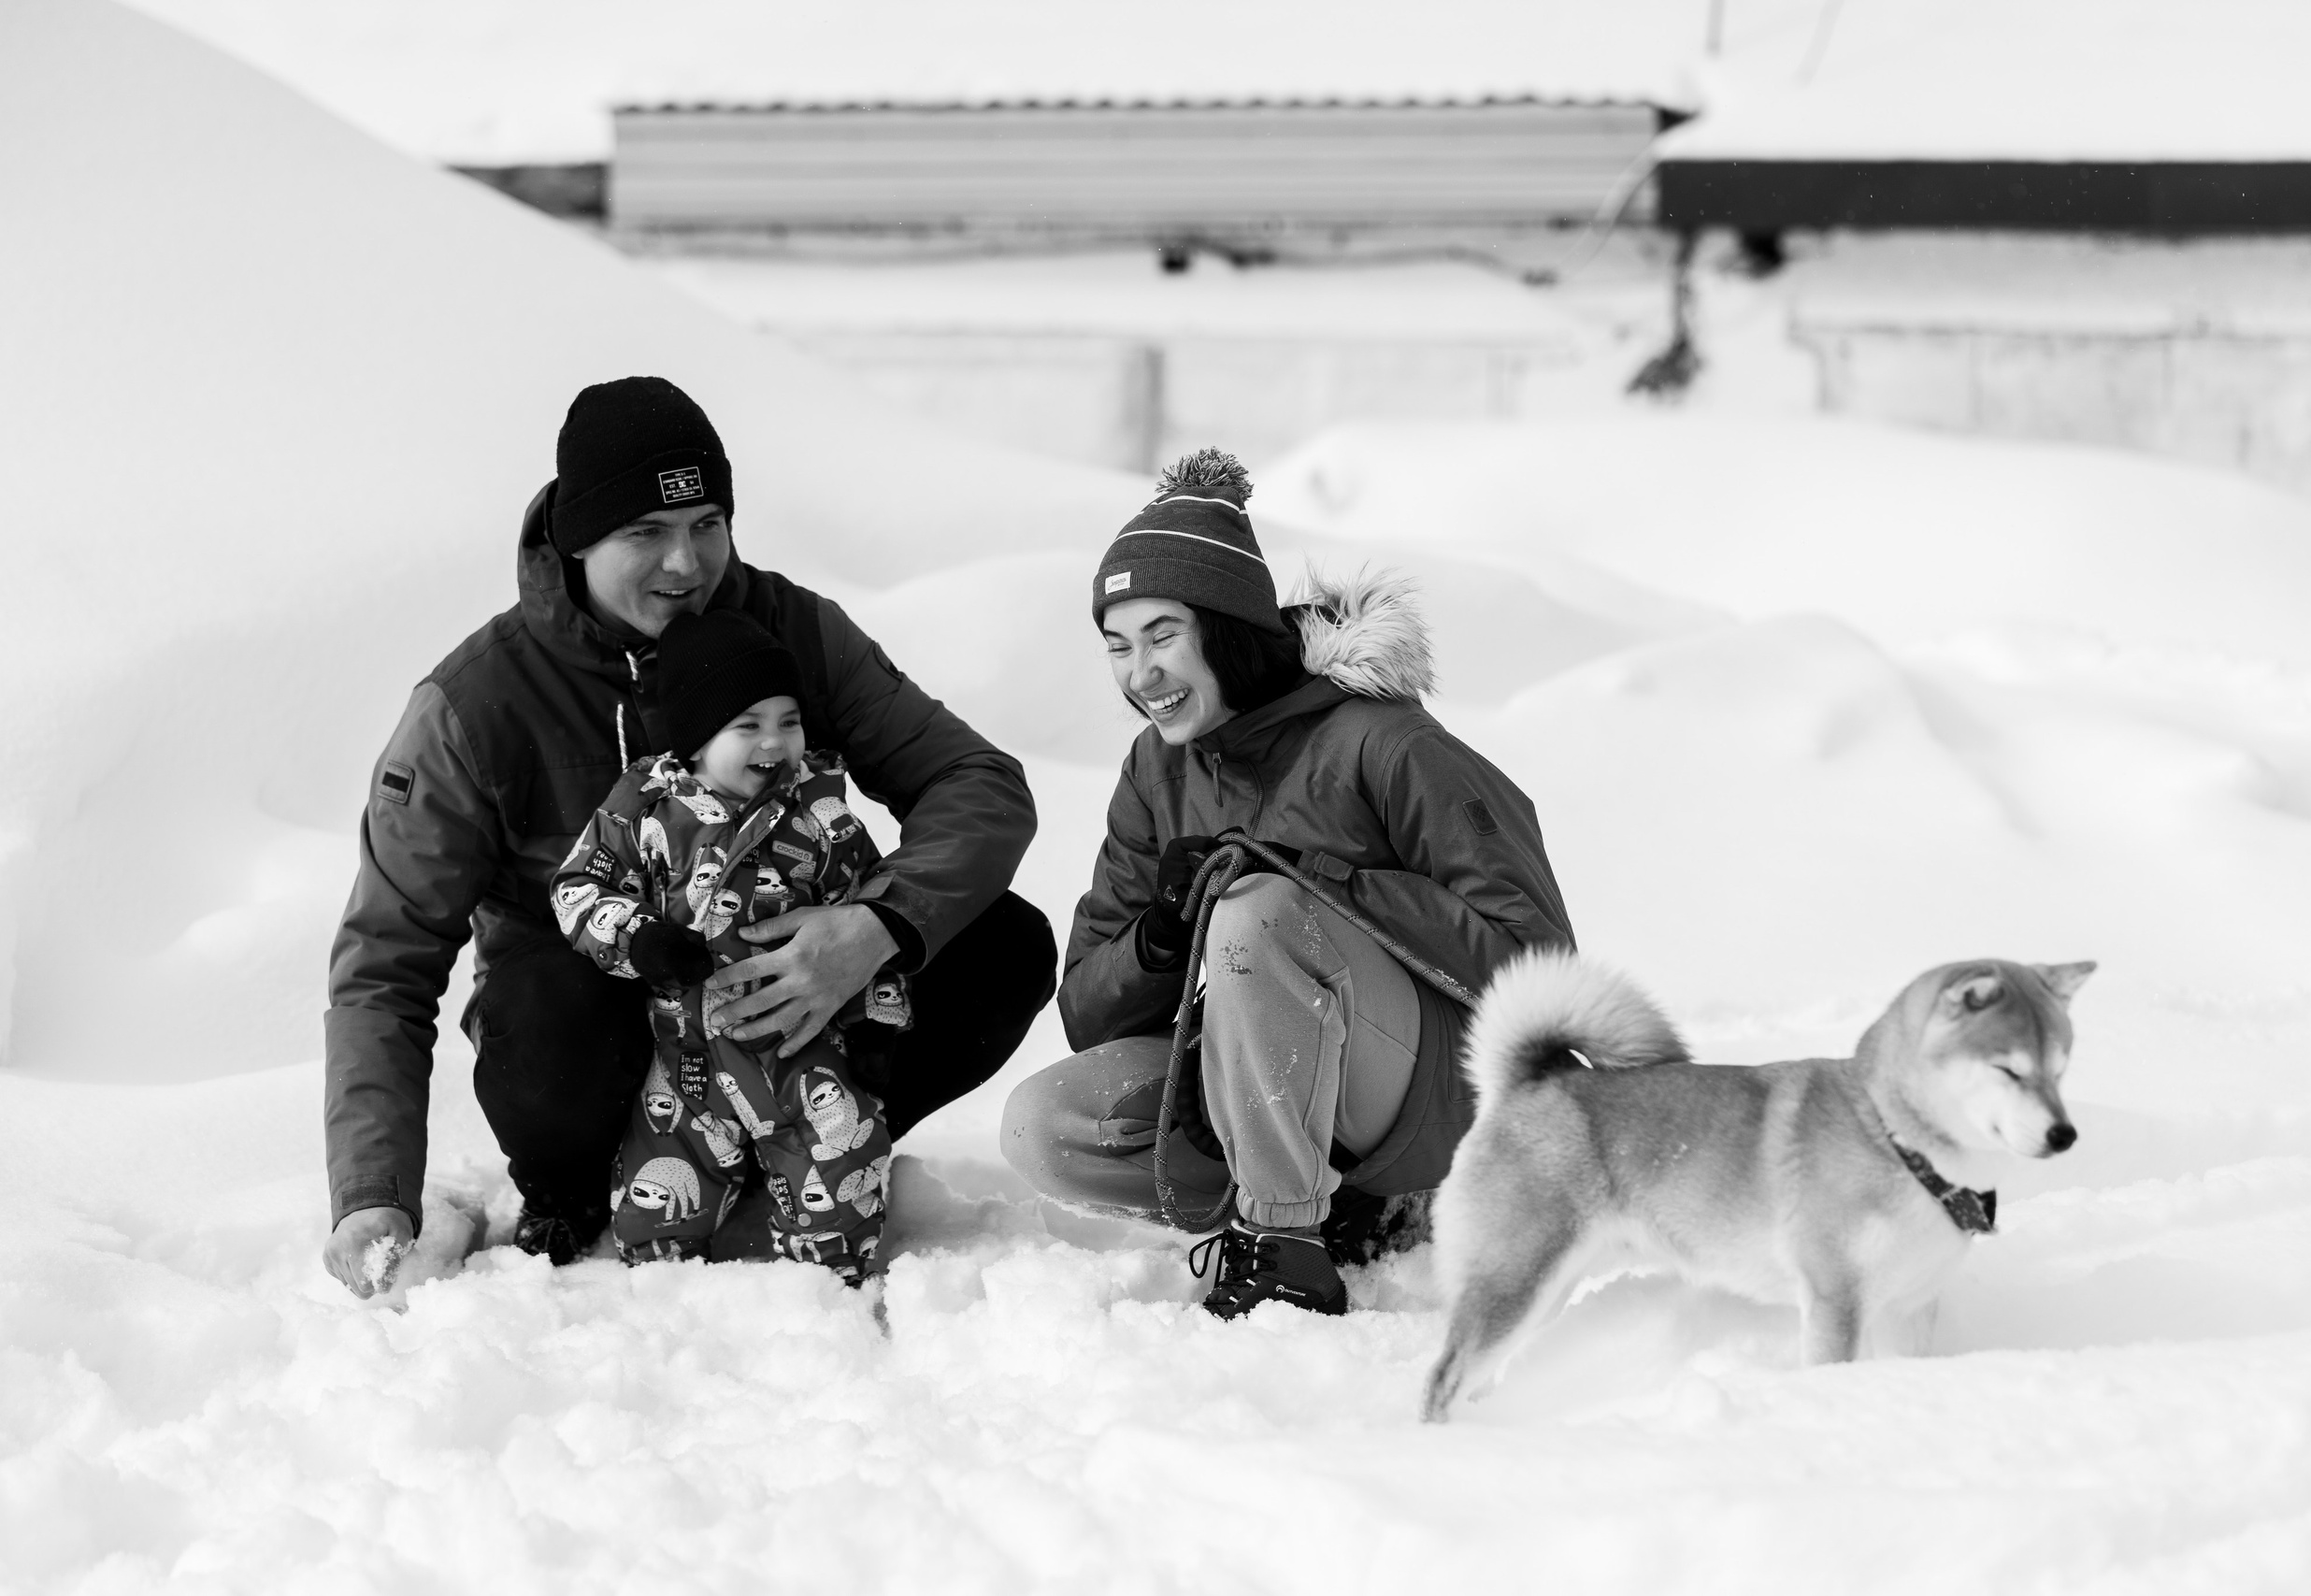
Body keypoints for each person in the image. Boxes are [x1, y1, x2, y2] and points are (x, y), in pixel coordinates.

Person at [322, 376, 1053, 1296]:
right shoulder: (475, 705)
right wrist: (369, 1190)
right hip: (603, 1021)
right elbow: (385, 963)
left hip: (791, 1017)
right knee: (539, 1009)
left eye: (708, 524)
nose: (685, 563)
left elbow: (976, 783)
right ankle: (583, 1195)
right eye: (646, 533)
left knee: (1002, 943)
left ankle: (819, 1156)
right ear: (578, 539)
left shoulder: (788, 630)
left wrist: (872, 931)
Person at [1000, 448, 1573, 1318]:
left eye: (1162, 635)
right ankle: (1324, 1205)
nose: (1139, 674)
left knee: (1263, 911)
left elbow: (1537, 958)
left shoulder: (1382, 741)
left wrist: (1325, 886)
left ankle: (1284, 1243)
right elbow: (1088, 1012)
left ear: (1227, 626)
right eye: (1117, 646)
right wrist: (1160, 932)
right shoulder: (1157, 772)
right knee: (1046, 1122)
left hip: (1432, 1094)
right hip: (1275, 1077)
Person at [552, 608, 898, 1275]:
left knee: (839, 1144)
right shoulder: (646, 813)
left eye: (788, 721)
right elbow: (578, 890)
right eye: (749, 726)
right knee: (663, 1182)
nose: (775, 743)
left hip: (803, 1042)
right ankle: (668, 1284)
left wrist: (878, 1019)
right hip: (687, 1055)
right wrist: (641, 937)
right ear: (697, 737)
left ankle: (831, 1274)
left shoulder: (823, 820)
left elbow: (868, 911)